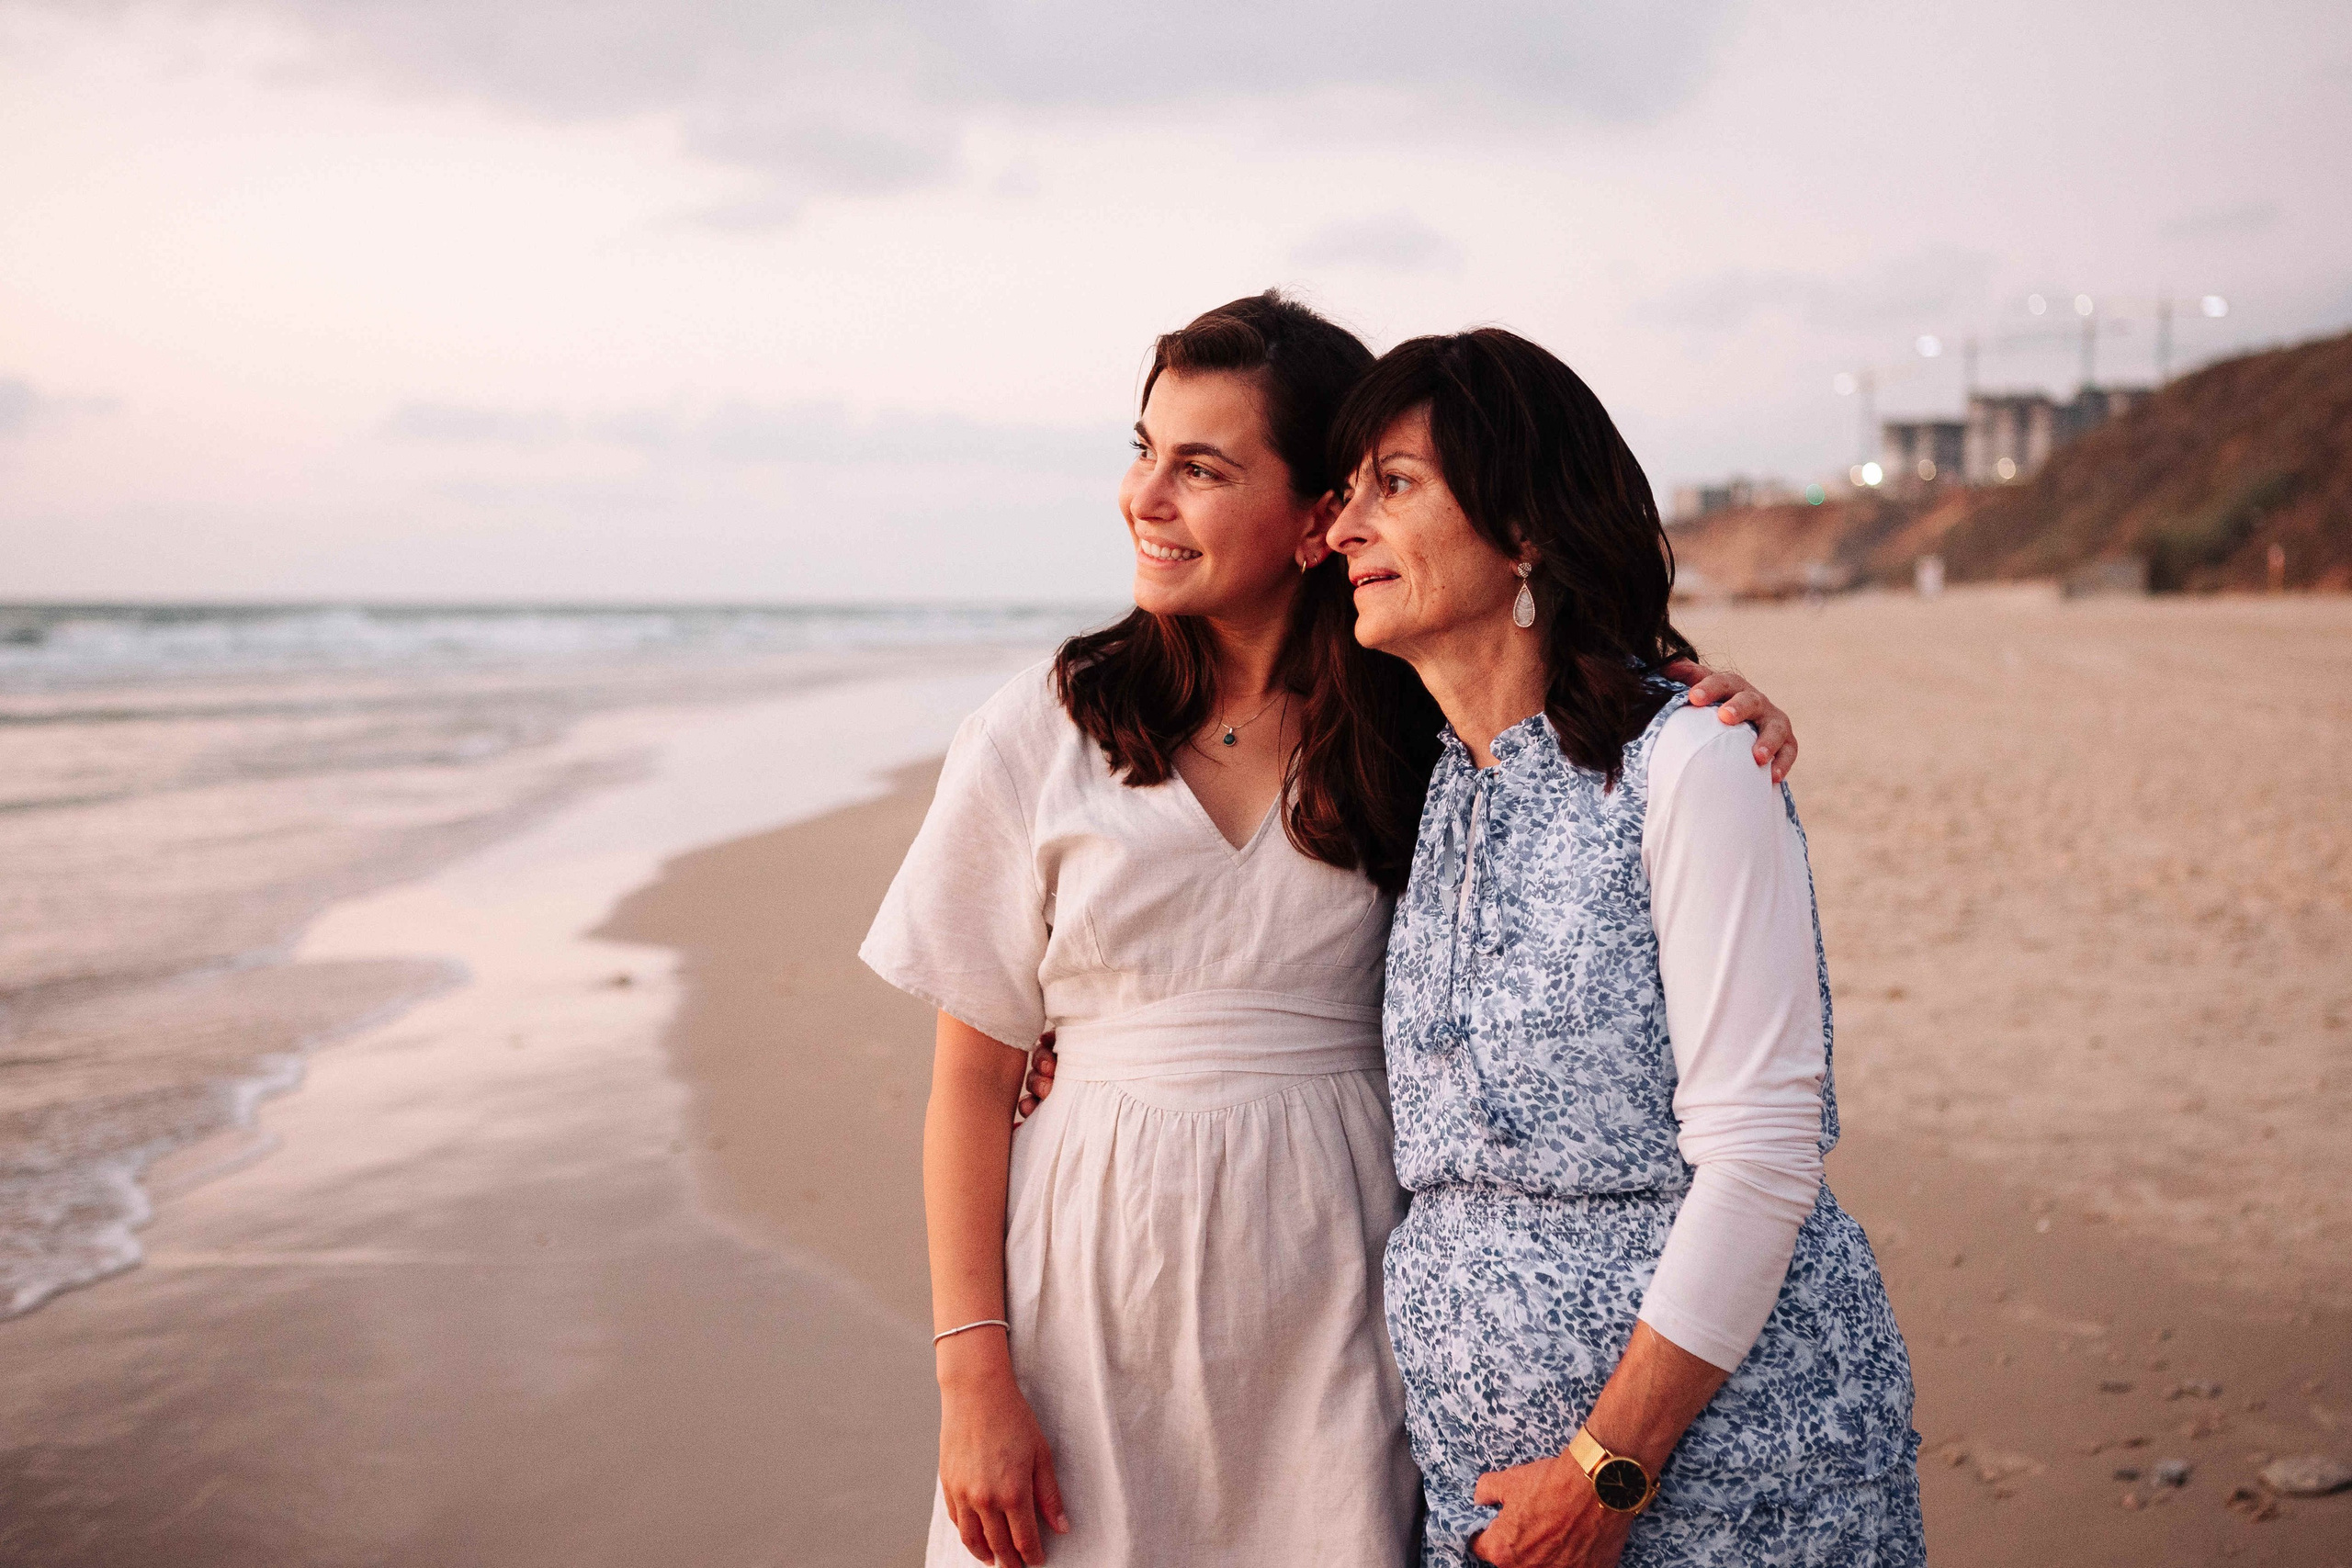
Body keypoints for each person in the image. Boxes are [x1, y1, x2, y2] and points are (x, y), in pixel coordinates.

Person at [861, 293, 1796, 1568]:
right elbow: (972, 1079)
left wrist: (1710, 704)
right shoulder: (1043, 728)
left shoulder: (1418, 727)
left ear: (1316, 517)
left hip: (1339, 1285)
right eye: (1143, 452)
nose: (1144, 498)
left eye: (1202, 468)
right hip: (1088, 1283)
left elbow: (1566, 731)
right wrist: (972, 1380)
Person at [1323, 328, 1922, 1567]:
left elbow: (1762, 1154)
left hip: (1723, 1481)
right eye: (1342, 492)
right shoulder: (1436, 785)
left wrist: (1607, 1471)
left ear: (1524, 527)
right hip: (1486, 1500)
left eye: (1395, 484)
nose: (1344, 529)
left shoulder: (1692, 762)